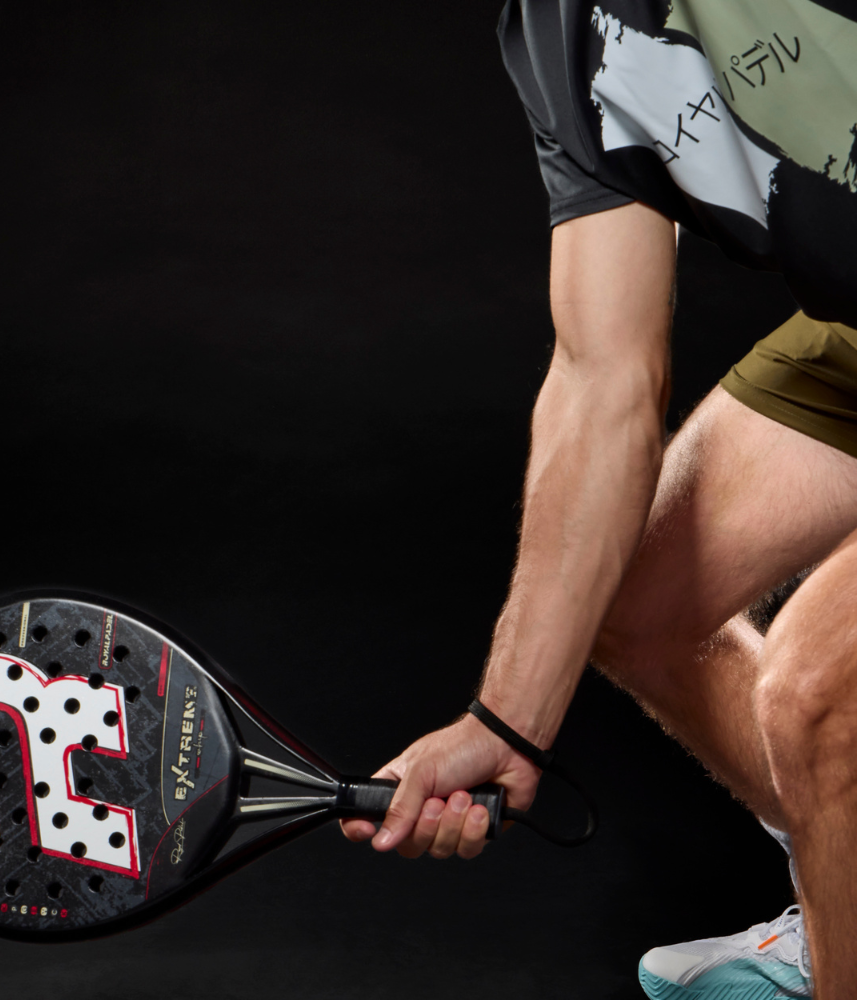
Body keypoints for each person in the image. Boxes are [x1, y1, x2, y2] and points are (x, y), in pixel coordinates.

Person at [340, 3, 857, 998]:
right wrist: (506, 719)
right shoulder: (563, 30)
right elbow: (600, 376)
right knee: (630, 602)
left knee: (818, 696)